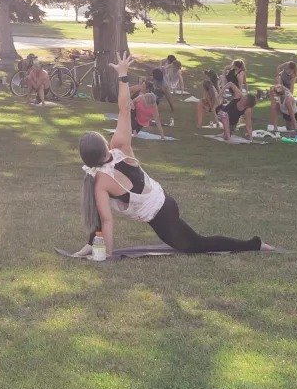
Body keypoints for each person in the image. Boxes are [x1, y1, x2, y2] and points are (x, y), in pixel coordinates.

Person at [77, 55, 276, 259]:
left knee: (197, 244)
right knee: (96, 200)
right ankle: (90, 243)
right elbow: (124, 109)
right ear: (104, 145)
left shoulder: (101, 179)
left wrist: (108, 255)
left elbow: (107, 220)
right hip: (163, 201)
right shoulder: (120, 147)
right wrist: (123, 75)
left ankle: (254, 244)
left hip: (161, 215)